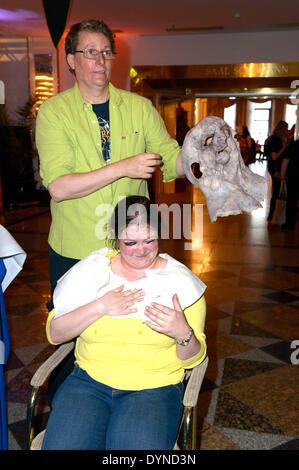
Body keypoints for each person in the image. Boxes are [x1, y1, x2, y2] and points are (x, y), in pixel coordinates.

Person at [35, 19, 184, 403]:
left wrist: (203, 158)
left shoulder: (138, 107)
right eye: (90, 52)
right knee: (72, 340)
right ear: (70, 60)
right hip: (74, 250)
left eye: (106, 51)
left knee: (132, 331)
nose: (100, 60)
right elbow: (59, 186)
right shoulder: (54, 112)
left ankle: (131, 407)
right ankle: (71, 414)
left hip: (132, 250)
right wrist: (124, 167)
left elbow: (171, 159)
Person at [41, 196, 207, 450]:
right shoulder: (93, 271)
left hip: (154, 389)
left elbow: (193, 360)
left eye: (149, 241)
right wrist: (101, 306)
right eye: (130, 242)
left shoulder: (181, 282)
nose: (141, 251)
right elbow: (55, 333)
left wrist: (182, 332)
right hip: (87, 382)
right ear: (115, 237)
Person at [264, 121, 289, 221]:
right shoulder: (276, 140)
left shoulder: (272, 138)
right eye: (286, 129)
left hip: (273, 168)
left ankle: (273, 214)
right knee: (276, 192)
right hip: (276, 169)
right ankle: (273, 215)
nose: (287, 131)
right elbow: (274, 157)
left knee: (276, 191)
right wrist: (284, 147)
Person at [280, 138, 299, 230]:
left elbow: (285, 161)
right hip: (293, 177)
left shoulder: (293, 145)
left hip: (293, 177)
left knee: (292, 201)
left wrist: (282, 175)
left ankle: (290, 224)